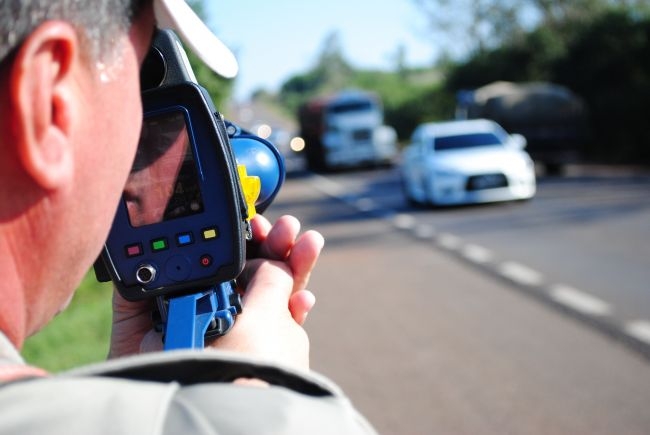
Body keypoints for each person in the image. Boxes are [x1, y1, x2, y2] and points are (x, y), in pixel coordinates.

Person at [0, 0, 376, 433]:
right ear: (49, 104)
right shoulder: (271, 421)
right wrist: (249, 402)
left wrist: (135, 389)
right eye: (135, 88)